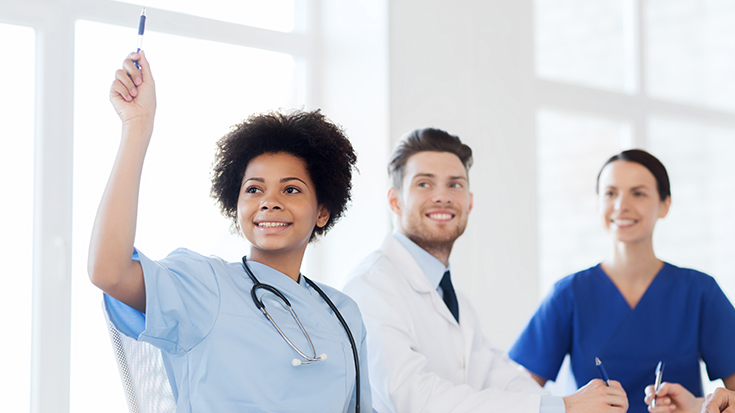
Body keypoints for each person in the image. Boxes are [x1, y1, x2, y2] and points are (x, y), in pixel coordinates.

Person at [88, 51, 371, 412]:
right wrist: (137, 127)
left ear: (323, 211)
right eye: (254, 189)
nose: (269, 202)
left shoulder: (344, 314)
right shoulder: (205, 285)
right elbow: (108, 271)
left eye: (291, 189)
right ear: (235, 205)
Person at [342, 128, 628, 413]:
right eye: (424, 184)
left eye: (455, 184)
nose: (442, 196)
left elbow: (500, 378)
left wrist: (575, 405)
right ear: (395, 200)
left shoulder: (455, 301)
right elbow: (413, 398)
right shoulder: (371, 286)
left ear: (470, 201)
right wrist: (562, 407)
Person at [508, 149, 735, 413]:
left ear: (665, 204)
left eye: (638, 193)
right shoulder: (569, 294)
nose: (621, 205)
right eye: (610, 193)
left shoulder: (699, 292)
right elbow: (520, 396)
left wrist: (699, 407)